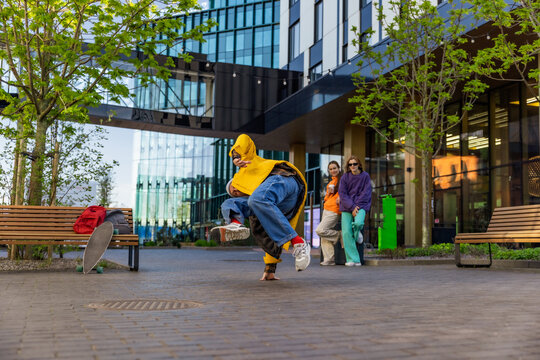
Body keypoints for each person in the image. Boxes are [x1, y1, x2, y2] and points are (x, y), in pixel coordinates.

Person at [210, 134, 310, 279]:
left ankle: (299, 243)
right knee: (230, 204)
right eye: (235, 193)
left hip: (285, 181)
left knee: (256, 199)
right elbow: (267, 237)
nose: (236, 192)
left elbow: (244, 139)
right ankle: (235, 223)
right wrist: (270, 269)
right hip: (276, 205)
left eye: (235, 187)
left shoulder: (249, 165)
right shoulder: (256, 203)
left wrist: (236, 156)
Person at [338, 156, 372, 266]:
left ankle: (357, 236)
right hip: (347, 206)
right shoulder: (344, 177)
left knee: (358, 223)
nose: (352, 166)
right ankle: (353, 260)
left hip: (361, 205)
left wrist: (356, 206)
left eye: (355, 164)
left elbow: (366, 193)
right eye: (350, 164)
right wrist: (352, 207)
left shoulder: (365, 176)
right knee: (347, 232)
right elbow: (342, 194)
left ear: (359, 165)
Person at [316, 161, 342, 266]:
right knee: (324, 236)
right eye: (330, 169)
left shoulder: (342, 180)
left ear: (339, 168)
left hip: (334, 210)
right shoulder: (331, 182)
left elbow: (345, 192)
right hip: (326, 209)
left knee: (320, 230)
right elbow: (327, 196)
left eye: (334, 168)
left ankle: (338, 235)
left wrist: (340, 196)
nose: (333, 171)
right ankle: (329, 259)